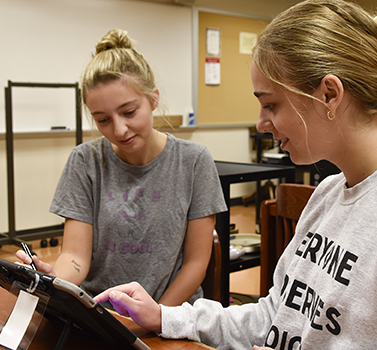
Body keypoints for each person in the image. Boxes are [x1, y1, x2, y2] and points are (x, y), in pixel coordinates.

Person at [93, 0, 377, 349]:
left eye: (270, 105)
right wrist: (165, 317)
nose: (262, 124)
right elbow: (276, 316)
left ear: (329, 95)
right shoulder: (327, 195)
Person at [16, 29, 227, 306]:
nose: (119, 129)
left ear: (153, 99)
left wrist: (156, 316)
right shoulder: (85, 161)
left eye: (129, 112)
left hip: (169, 313)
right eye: (102, 120)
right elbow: (76, 258)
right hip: (101, 313)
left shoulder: (194, 161)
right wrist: (55, 277)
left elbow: (196, 264)